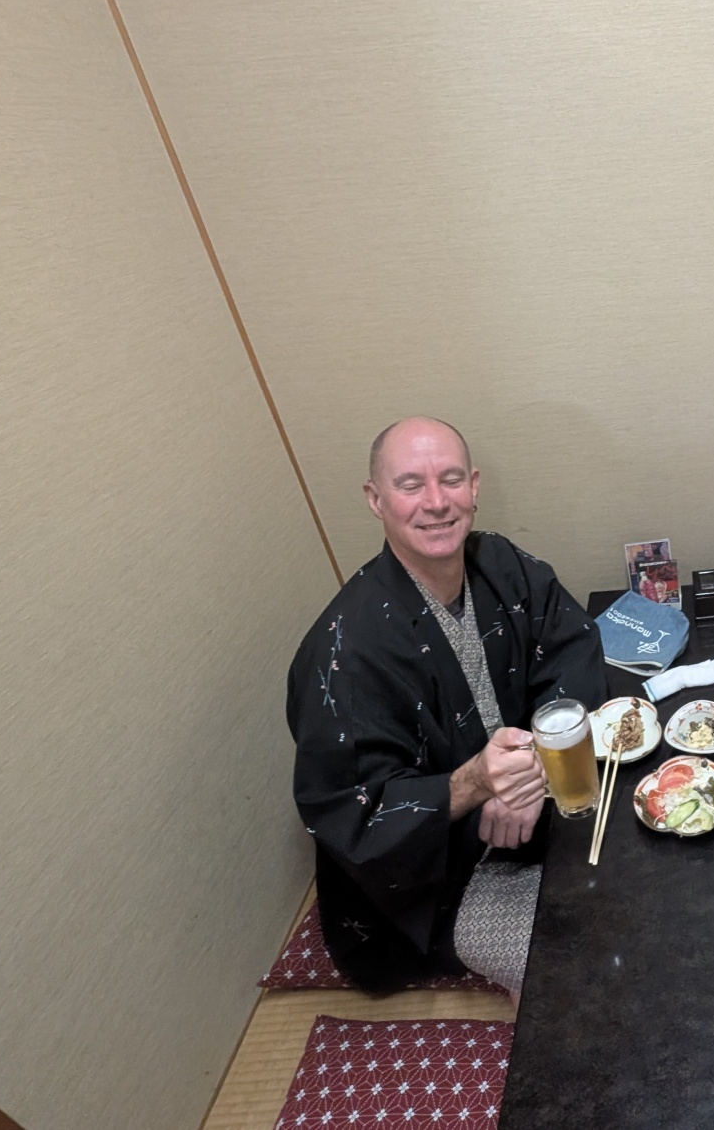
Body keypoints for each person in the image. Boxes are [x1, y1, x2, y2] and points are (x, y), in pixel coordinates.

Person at [286, 417, 606, 996]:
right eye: (410, 485)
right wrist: (475, 782)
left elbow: (572, 645)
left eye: (451, 479)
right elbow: (354, 817)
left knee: (644, 879)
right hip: (443, 882)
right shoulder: (344, 656)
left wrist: (530, 768)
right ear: (375, 499)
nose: (436, 502)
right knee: (583, 975)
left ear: (474, 486)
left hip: (539, 807)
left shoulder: (500, 563)